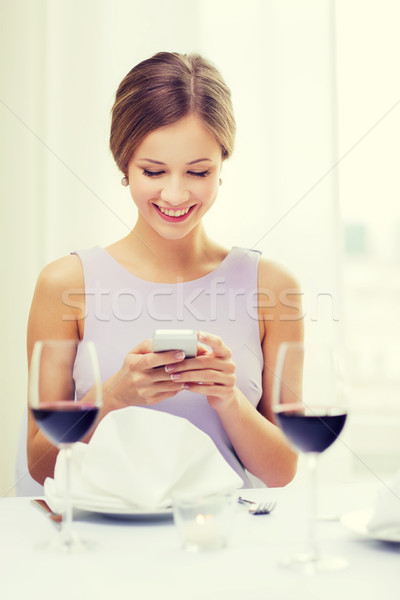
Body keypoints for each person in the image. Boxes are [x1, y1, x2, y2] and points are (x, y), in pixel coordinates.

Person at [27, 51, 303, 488]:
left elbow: (282, 471)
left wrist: (227, 398)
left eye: (197, 171)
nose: (174, 195)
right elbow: (42, 466)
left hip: (222, 541)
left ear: (222, 166)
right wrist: (113, 397)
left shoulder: (272, 286)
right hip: (102, 544)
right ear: (124, 165)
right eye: (153, 171)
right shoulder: (66, 284)